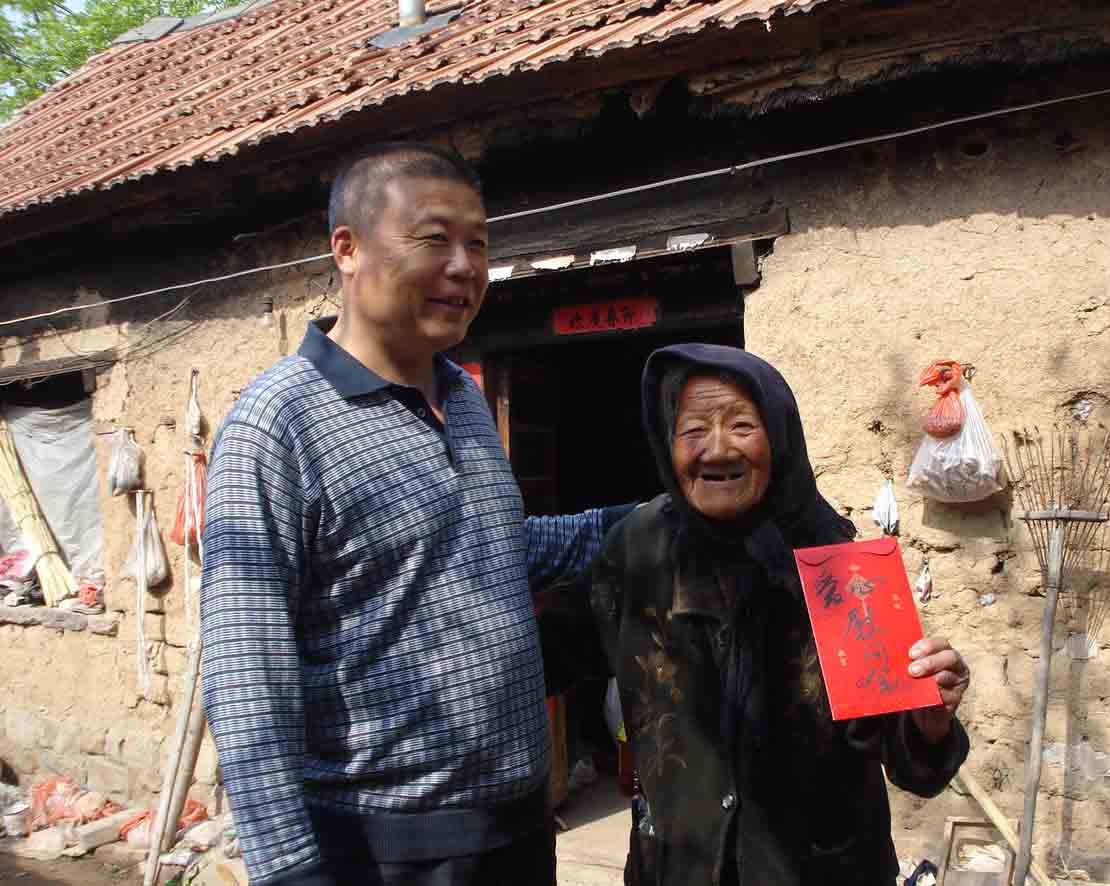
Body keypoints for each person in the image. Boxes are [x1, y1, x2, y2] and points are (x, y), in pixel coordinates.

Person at [200, 142, 631, 886]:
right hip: (384, 851)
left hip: (519, 829)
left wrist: (647, 519)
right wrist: (290, 870)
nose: (464, 268)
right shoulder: (278, 425)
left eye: (478, 244)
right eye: (434, 239)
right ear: (347, 249)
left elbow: (492, 549)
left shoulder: (462, 399)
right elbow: (247, 670)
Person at [586, 343, 971, 886]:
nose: (717, 449)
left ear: (780, 436)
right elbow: (564, 652)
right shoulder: (635, 551)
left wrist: (929, 725)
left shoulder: (837, 565)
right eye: (693, 430)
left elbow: (911, 766)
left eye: (742, 426)